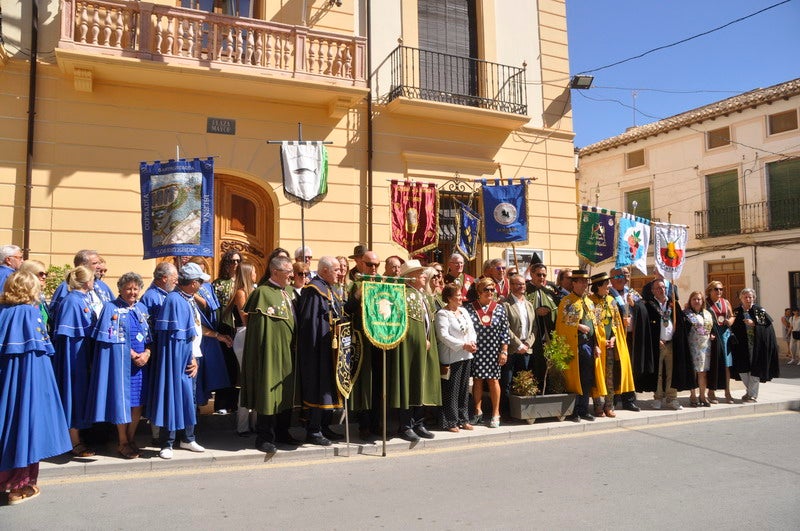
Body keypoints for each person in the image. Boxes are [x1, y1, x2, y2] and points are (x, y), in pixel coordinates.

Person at [0, 271, 71, 505]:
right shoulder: (29, 313)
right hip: (29, 382)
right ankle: (18, 487)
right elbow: (37, 354)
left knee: (7, 425)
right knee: (25, 427)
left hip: (6, 380)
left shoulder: (3, 311)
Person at [85, 272, 151, 459]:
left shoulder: (141, 308)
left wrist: (146, 354)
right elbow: (110, 337)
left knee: (137, 403)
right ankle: (122, 442)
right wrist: (132, 354)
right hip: (121, 364)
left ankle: (131, 439)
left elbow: (149, 338)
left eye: (136, 288)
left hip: (141, 365)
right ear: (120, 289)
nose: (132, 292)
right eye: (128, 288)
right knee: (122, 402)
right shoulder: (111, 307)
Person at [148, 263, 208, 459]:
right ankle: (168, 442)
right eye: (200, 281)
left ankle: (188, 438)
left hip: (190, 356)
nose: (201, 285)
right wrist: (189, 357)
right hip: (179, 359)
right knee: (172, 396)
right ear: (192, 283)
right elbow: (177, 338)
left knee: (189, 398)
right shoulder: (175, 300)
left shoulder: (187, 299)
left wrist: (193, 357)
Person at [241, 255, 299, 453]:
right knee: (268, 392)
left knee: (286, 392)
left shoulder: (290, 291)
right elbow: (257, 332)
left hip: (289, 351)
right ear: (275, 272)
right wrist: (263, 354)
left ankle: (283, 431)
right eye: (288, 272)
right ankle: (264, 436)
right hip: (270, 354)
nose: (291, 275)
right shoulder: (262, 294)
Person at [389, 260, 442, 442]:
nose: (424, 275)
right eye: (419, 273)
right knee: (409, 383)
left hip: (425, 346)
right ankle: (405, 425)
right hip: (410, 348)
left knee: (422, 384)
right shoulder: (404, 295)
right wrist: (420, 340)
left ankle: (418, 422)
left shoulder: (424, 296)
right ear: (409, 277)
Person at [296, 256, 346, 446]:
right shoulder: (314, 290)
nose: (340, 273)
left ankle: (325, 426)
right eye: (336, 270)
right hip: (318, 349)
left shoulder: (330, 289)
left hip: (331, 348)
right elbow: (310, 323)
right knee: (318, 387)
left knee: (329, 388)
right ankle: (313, 429)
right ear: (324, 270)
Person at [51, 265, 98, 458]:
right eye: (93, 278)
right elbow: (68, 336)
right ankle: (73, 440)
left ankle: (78, 436)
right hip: (74, 357)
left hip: (82, 354)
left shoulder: (81, 298)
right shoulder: (72, 301)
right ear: (86, 281)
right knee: (73, 395)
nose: (95, 281)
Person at [345, 249, 383, 441]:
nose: (373, 268)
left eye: (376, 265)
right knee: (364, 384)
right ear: (361, 264)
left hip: (380, 339)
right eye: (369, 264)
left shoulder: (383, 283)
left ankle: (377, 423)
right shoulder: (355, 284)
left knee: (379, 384)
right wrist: (360, 293)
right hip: (362, 340)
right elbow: (348, 309)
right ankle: (364, 424)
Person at [556, 270, 604, 422]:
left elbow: (596, 325)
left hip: (588, 345)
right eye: (581, 281)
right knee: (574, 379)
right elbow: (563, 323)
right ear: (574, 283)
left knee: (587, 378)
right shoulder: (567, 301)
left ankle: (583, 409)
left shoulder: (589, 302)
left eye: (586, 282)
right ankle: (574, 410)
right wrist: (578, 326)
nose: (584, 285)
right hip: (575, 344)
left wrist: (596, 344)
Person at [187, 257, 232, 410]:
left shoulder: (207, 286)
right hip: (198, 336)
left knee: (209, 373)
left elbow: (212, 307)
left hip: (210, 333)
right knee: (196, 373)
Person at [588, 272, 635, 418]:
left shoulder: (611, 301)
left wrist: (614, 338)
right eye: (606, 284)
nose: (609, 286)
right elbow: (592, 325)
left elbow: (616, 323)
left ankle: (609, 406)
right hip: (597, 346)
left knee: (610, 377)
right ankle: (598, 406)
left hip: (611, 346)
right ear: (598, 286)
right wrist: (600, 342)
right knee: (597, 376)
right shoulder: (590, 302)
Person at [642, 279, 694, 410]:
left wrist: (678, 335)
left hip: (672, 343)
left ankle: (672, 398)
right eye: (658, 288)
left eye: (663, 287)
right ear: (653, 291)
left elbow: (681, 322)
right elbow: (647, 326)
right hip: (657, 344)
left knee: (672, 372)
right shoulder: (649, 305)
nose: (661, 290)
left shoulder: (673, 304)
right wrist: (656, 340)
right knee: (658, 373)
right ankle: (658, 398)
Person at [466, 277, 509, 428]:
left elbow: (505, 332)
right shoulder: (469, 308)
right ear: (479, 292)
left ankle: (496, 414)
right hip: (476, 349)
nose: (490, 292)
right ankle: (478, 412)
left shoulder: (499, 309)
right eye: (486, 289)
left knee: (493, 380)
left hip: (494, 350)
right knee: (477, 380)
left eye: (492, 289)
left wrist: (504, 351)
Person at [220, 261, 257, 436]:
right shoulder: (241, 293)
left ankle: (256, 422)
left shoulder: (255, 290)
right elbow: (246, 318)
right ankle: (243, 425)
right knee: (246, 382)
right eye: (254, 272)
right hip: (245, 336)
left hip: (253, 335)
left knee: (257, 382)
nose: (256, 274)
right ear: (248, 274)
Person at [435, 283, 477, 432]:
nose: (461, 297)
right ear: (449, 298)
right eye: (458, 295)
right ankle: (450, 421)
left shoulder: (464, 311)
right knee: (451, 390)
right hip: (452, 357)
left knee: (464, 390)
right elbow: (443, 336)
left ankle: (463, 419)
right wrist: (463, 345)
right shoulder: (442, 314)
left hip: (466, 355)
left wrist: (472, 342)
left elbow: (471, 329)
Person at [730, 288, 780, 402]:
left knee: (755, 369)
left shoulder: (759, 311)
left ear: (754, 298)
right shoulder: (736, 312)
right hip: (741, 346)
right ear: (741, 298)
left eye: (750, 297)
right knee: (742, 369)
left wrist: (754, 324)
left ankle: (752, 395)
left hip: (757, 345)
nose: (748, 299)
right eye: (745, 297)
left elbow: (765, 329)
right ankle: (750, 391)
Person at [607, 267, 643, 411]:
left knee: (630, 369)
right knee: (615, 369)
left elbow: (644, 311)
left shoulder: (632, 293)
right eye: (617, 276)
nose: (621, 279)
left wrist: (634, 306)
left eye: (623, 276)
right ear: (611, 279)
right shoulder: (608, 294)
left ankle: (629, 400)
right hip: (615, 338)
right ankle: (614, 399)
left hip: (631, 338)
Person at [500, 273, 536, 416]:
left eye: (523, 284)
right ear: (511, 286)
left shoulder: (529, 304)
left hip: (526, 349)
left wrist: (527, 343)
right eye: (518, 284)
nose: (522, 286)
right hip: (511, 349)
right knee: (507, 382)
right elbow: (505, 327)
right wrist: (518, 344)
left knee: (523, 381)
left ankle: (522, 412)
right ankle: (506, 412)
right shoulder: (505, 304)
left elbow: (534, 327)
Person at [49, 249, 113, 315]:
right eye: (94, 263)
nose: (99, 267)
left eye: (99, 263)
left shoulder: (102, 286)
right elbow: (55, 314)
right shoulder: (67, 286)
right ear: (82, 266)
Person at [525, 263, 558, 388]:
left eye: (544, 275)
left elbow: (557, 308)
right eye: (539, 275)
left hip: (548, 333)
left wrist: (550, 311)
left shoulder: (550, 291)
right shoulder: (525, 290)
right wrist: (535, 312)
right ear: (531, 274)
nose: (542, 278)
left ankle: (548, 388)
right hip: (532, 335)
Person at [705, 281, 735, 403]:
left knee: (726, 365)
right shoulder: (705, 303)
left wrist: (730, 321)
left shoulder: (725, 302)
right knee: (713, 364)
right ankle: (711, 392)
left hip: (724, 335)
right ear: (710, 290)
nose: (719, 291)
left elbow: (732, 316)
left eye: (721, 289)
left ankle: (727, 392)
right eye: (716, 289)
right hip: (712, 335)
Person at [684, 291, 715, 407]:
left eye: (699, 299)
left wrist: (712, 334)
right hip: (691, 346)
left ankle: (702, 396)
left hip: (705, 347)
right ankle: (693, 395)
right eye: (694, 299)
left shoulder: (707, 314)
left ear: (702, 301)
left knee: (703, 372)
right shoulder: (686, 314)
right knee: (693, 372)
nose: (697, 301)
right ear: (690, 301)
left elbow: (712, 328)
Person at [18, 260, 50, 328]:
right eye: (41, 274)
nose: (44, 277)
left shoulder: (40, 297)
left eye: (46, 274)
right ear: (29, 275)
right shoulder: (22, 299)